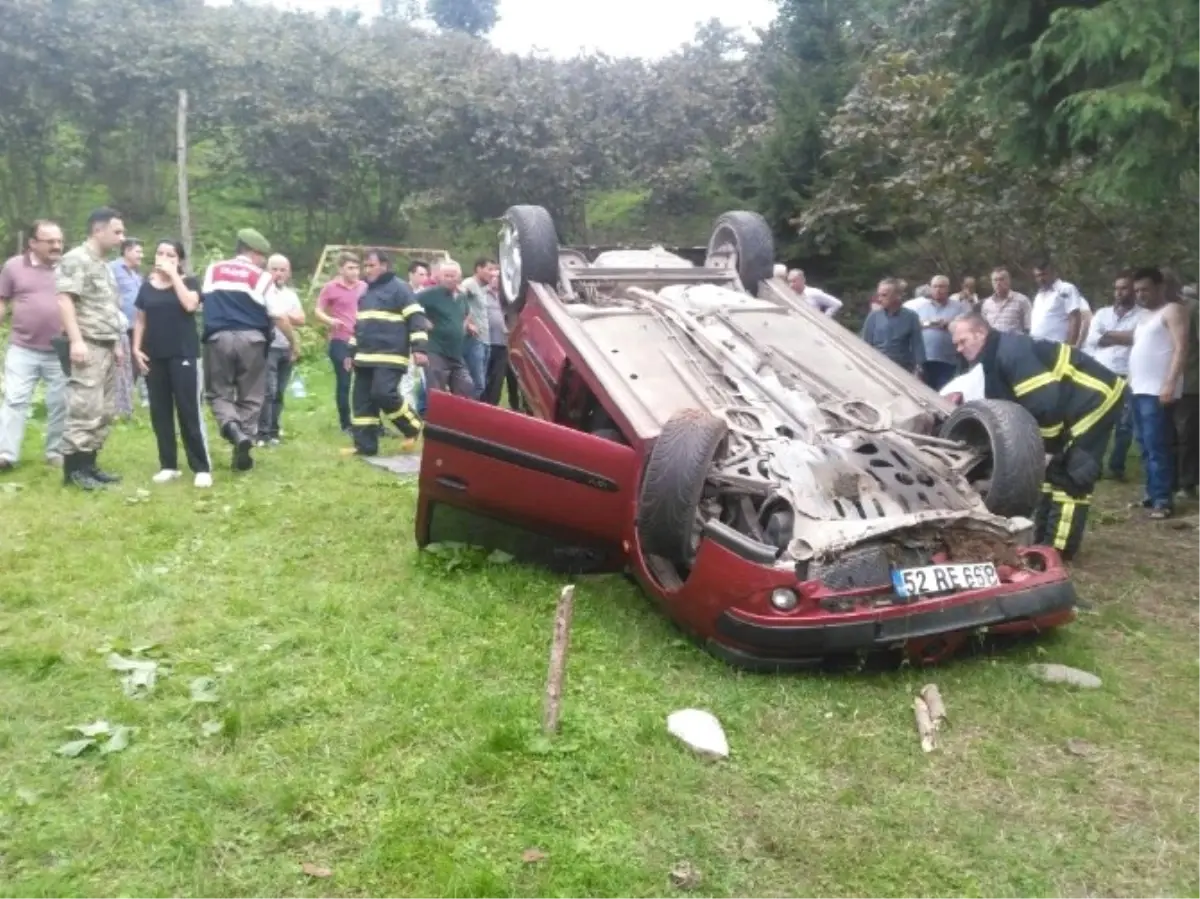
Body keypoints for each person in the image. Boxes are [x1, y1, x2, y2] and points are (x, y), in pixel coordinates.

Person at [949, 312, 1125, 559]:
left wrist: (1047, 450)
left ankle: (1058, 550)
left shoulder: (1012, 354)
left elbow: (1044, 405)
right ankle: (1043, 538)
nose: (959, 349)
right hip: (1068, 405)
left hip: (1095, 398)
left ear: (980, 333)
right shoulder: (993, 358)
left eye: (962, 341)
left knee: (1072, 472)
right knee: (1049, 475)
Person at [199, 228, 299, 473]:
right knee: (252, 396)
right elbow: (277, 315)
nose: (264, 262)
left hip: (218, 338)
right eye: (262, 257)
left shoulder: (214, 269)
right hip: (252, 342)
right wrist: (294, 342)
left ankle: (232, 430)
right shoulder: (262, 277)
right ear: (254, 252)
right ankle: (243, 442)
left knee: (219, 393)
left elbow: (204, 302)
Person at [1093, 267, 1189, 518]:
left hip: (1158, 390)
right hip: (1137, 388)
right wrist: (1108, 336)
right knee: (1144, 444)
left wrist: (1170, 382)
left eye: (1145, 289)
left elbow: (1181, 348)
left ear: (1160, 287)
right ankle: (1151, 493)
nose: (1140, 295)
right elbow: (1137, 341)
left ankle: (1163, 501)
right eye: (1137, 291)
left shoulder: (1173, 311)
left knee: (1158, 445)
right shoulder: (1144, 316)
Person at [55, 207, 128, 490]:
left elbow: (107, 308)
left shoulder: (103, 265)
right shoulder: (76, 259)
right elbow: (65, 300)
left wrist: (116, 344)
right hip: (87, 345)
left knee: (104, 409)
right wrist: (76, 341)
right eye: (117, 232)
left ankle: (90, 464)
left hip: (106, 345)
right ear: (98, 230)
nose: (122, 238)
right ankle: (74, 471)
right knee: (84, 407)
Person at [132, 239, 211, 488]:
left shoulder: (190, 282)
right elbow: (140, 320)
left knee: (189, 410)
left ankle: (201, 466)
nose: (164, 258)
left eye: (171, 255)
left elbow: (190, 305)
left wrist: (174, 276)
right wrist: (135, 348)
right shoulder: (146, 288)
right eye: (160, 253)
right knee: (160, 412)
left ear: (180, 260)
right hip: (154, 355)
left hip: (183, 354)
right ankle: (168, 465)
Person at [344, 249, 430, 456]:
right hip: (364, 357)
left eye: (371, 265)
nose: (367, 270)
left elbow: (417, 319)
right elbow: (360, 326)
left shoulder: (400, 289)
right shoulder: (365, 293)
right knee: (362, 402)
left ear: (384, 266)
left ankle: (413, 426)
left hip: (390, 356)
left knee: (383, 394)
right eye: (365, 266)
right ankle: (365, 447)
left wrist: (419, 349)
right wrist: (350, 352)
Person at [0, 221, 67, 473]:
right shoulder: (13, 267)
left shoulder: (68, 267)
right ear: (32, 243)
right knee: (15, 400)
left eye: (59, 241)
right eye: (50, 241)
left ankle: (55, 452)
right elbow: (2, 300)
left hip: (59, 349)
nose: (57, 246)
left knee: (60, 401)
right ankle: (6, 455)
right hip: (22, 346)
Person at [1081, 271, 1143, 480]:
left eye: (1124, 288)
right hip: (1101, 374)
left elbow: (1137, 338)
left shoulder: (1142, 314)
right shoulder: (1102, 314)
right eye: (1116, 288)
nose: (1119, 292)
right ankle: (1094, 466)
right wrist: (1123, 337)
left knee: (1124, 425)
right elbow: (1092, 340)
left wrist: (1107, 335)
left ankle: (1117, 466)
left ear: (1133, 290)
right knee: (1097, 422)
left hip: (1127, 374)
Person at [258, 254, 306, 446]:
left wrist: (280, 315)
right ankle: (262, 433)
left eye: (282, 269)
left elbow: (301, 319)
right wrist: (284, 315)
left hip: (286, 347)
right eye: (274, 269)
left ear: (289, 272)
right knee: (267, 391)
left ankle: (274, 430)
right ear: (266, 270)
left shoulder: (290, 294)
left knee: (279, 391)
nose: (278, 273)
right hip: (267, 347)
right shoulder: (260, 292)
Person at [315, 252, 364, 433]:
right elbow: (318, 310)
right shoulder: (330, 288)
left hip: (362, 339)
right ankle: (346, 423)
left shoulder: (364, 287)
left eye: (357, 268)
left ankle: (369, 420)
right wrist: (330, 320)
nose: (355, 272)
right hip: (340, 340)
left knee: (366, 380)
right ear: (341, 269)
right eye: (350, 268)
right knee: (344, 381)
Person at [418, 259, 474, 397]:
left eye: (452, 276)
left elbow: (466, 313)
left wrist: (465, 326)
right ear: (439, 277)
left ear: (459, 277)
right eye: (446, 276)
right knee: (437, 389)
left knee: (466, 386)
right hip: (436, 350)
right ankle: (435, 418)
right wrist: (422, 320)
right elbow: (406, 304)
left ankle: (457, 417)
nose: (449, 279)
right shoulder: (430, 294)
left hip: (455, 352)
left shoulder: (462, 297)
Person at [905, 275, 971, 390]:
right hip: (923, 359)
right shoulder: (919, 306)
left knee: (944, 393)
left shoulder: (959, 307)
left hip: (948, 360)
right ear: (930, 288)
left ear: (948, 289)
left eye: (941, 287)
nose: (938, 290)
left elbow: (967, 328)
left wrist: (949, 324)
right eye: (935, 286)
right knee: (922, 392)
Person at [860, 277, 924, 376]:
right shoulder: (873, 316)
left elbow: (917, 345)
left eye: (884, 295)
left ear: (897, 296)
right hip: (877, 367)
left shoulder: (911, 317)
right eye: (879, 295)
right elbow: (865, 344)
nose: (879, 299)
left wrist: (919, 368)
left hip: (903, 369)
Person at [109, 237, 143, 417]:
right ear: (127, 251)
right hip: (119, 328)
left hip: (136, 328)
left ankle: (127, 404)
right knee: (119, 366)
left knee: (134, 366)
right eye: (138, 251)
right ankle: (115, 407)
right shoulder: (112, 269)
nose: (141, 255)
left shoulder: (137, 275)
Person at [460, 258, 495, 400]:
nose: (492, 273)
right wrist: (467, 323)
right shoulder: (469, 284)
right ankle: (464, 413)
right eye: (489, 269)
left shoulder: (483, 289)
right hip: (473, 341)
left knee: (481, 383)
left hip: (485, 341)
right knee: (477, 384)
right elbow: (456, 300)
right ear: (479, 269)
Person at [1031, 260, 1089, 346]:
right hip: (1037, 345)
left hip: (1057, 345)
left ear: (1053, 273)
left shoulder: (1066, 289)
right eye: (1037, 276)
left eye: (1044, 274)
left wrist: (1070, 347)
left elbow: (1075, 318)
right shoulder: (1038, 296)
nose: (1041, 279)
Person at [481, 266, 511, 406]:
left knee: (498, 378)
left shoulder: (508, 298)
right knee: (483, 376)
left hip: (503, 343)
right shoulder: (482, 294)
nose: (494, 280)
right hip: (485, 342)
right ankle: (482, 403)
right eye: (492, 277)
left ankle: (492, 405)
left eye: (498, 277)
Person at [980, 268, 1032, 334]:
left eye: (1001, 279)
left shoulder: (1022, 300)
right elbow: (984, 328)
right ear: (992, 283)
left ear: (1009, 281)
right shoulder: (987, 304)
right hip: (993, 343)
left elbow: (1028, 327)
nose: (998, 283)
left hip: (1014, 342)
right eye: (995, 280)